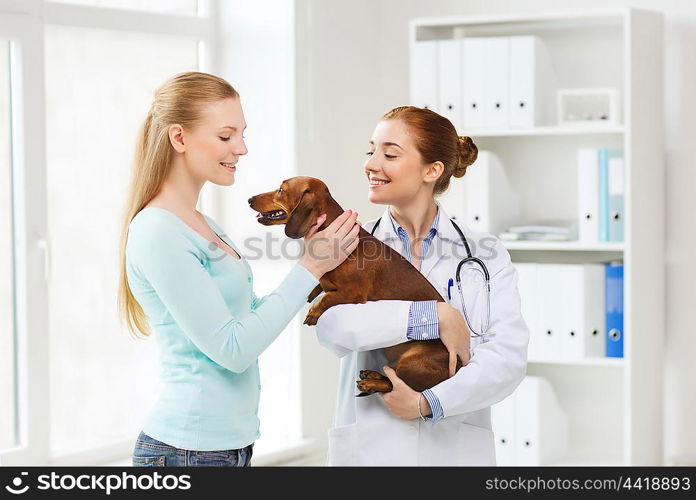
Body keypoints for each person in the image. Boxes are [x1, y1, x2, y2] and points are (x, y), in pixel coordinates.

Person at [117, 71, 360, 467]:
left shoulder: (200, 223)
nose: (242, 148)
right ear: (179, 138)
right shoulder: (158, 231)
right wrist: (311, 266)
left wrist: (326, 267)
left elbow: (245, 316)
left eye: (242, 134)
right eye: (226, 136)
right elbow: (233, 349)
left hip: (224, 448)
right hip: (187, 452)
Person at [315, 106, 530, 466]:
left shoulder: (483, 253)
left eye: (390, 154)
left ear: (432, 170)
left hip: (453, 446)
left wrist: (428, 403)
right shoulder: (350, 243)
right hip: (371, 447)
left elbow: (507, 357)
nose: (371, 163)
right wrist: (432, 316)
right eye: (371, 151)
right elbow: (331, 329)